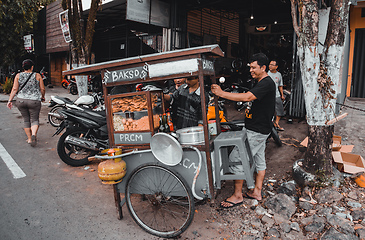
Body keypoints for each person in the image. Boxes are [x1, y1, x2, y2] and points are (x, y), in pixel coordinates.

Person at [211, 53, 276, 208]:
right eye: (250, 67)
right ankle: (257, 192)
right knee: (259, 159)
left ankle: (237, 195)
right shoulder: (260, 81)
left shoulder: (266, 83)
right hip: (260, 129)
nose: (251, 70)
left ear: (263, 67)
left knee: (237, 158)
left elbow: (247, 97)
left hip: (257, 130)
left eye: (254, 67)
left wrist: (221, 94)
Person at [7, 59, 46, 147]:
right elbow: (42, 89)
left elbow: (14, 89)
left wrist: (10, 100)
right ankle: (34, 134)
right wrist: (42, 96)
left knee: (26, 119)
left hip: (21, 100)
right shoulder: (37, 75)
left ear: (23, 67)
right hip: (34, 101)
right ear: (32, 67)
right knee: (34, 119)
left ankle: (29, 139)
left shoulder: (18, 75)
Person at [268, 60, 285, 131]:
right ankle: (269, 126)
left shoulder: (279, 75)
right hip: (268, 96)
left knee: (280, 110)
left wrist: (282, 95)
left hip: (277, 95)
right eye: (270, 64)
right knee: (268, 111)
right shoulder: (266, 74)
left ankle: (276, 123)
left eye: (272, 65)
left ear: (276, 67)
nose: (270, 66)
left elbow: (280, 85)